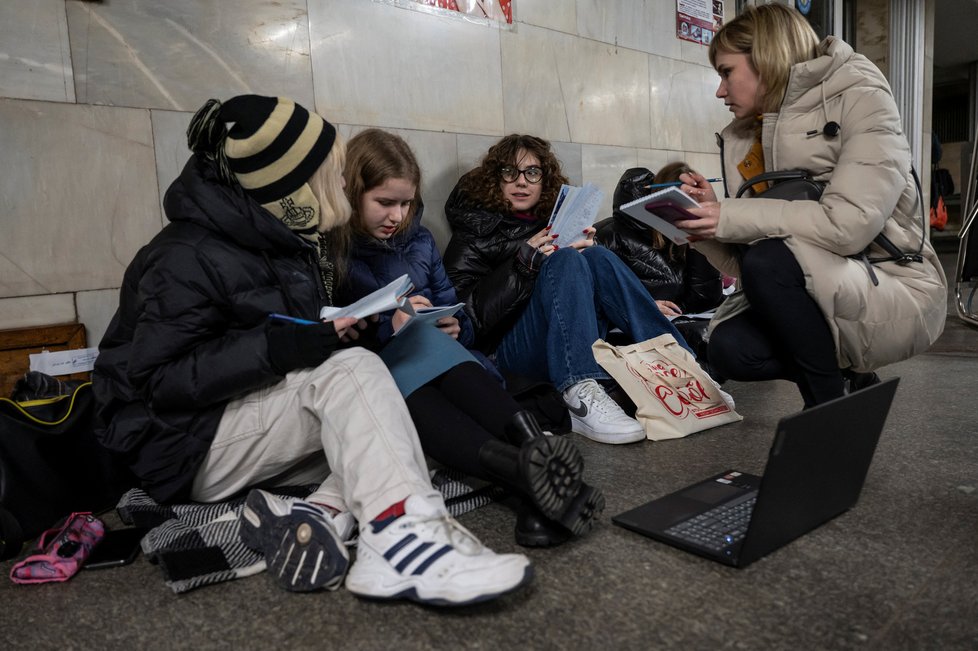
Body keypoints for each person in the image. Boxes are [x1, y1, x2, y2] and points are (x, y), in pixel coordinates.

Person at [91, 95, 532, 606]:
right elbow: (160, 382)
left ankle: (330, 520)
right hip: (188, 445)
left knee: (395, 432)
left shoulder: (282, 238)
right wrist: (284, 347)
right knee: (360, 382)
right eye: (330, 172)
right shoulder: (185, 254)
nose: (341, 183)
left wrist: (342, 331)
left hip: (248, 417)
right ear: (285, 180)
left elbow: (292, 339)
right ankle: (400, 540)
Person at [338, 128, 604, 547]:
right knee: (417, 375)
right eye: (385, 203)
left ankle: (531, 465)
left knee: (432, 346)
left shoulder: (421, 241)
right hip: (379, 368)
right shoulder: (335, 250)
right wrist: (384, 328)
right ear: (353, 195)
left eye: (406, 204)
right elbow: (332, 337)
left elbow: (457, 308)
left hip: (444, 356)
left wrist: (455, 324)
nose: (397, 216)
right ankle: (530, 476)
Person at [672, 4, 947, 408]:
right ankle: (851, 381)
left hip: (894, 281)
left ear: (765, 58)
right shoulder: (749, 132)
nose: (719, 91)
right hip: (820, 281)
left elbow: (847, 225)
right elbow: (750, 266)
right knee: (729, 348)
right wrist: (707, 225)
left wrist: (731, 215)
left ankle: (826, 412)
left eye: (726, 72)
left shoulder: (861, 95)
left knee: (770, 260)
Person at [442, 134, 697, 445]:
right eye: (509, 172)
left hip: (566, 339)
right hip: (506, 351)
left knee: (596, 255)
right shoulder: (473, 235)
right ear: (494, 179)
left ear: (545, 180)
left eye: (532, 173)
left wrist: (587, 265)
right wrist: (522, 266)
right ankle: (580, 396)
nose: (521, 182)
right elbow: (463, 323)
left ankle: (684, 367)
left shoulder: (556, 224)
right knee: (566, 260)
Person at [594, 163, 724, 361]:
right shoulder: (609, 236)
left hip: (676, 324)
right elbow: (593, 299)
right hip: (630, 336)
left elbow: (704, 297)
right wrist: (642, 306)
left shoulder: (675, 237)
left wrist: (699, 240)